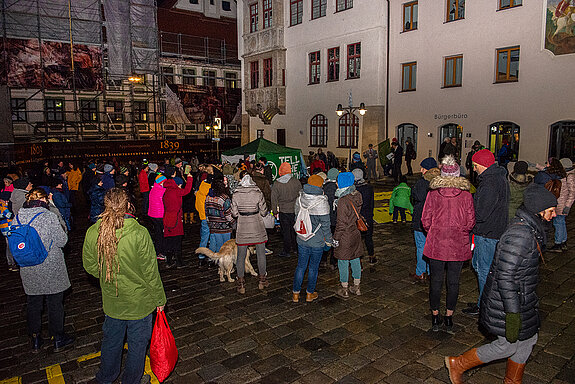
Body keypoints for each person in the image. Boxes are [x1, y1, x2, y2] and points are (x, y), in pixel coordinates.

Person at [445, 184, 557, 384]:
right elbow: (505, 277)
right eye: (551, 210)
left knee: (528, 340)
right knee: (506, 345)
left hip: (523, 300)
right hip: (508, 304)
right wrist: (513, 314)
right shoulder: (520, 236)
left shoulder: (531, 229)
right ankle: (458, 364)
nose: (555, 214)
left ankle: (511, 381)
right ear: (539, 210)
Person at [83, 188, 166, 384]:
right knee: (137, 345)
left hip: (113, 300)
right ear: (128, 205)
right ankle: (131, 380)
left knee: (112, 342)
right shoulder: (138, 232)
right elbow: (150, 272)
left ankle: (106, 377)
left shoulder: (94, 231)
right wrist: (159, 299)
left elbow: (89, 265)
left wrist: (106, 277)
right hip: (139, 302)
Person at [422, 156, 475, 332]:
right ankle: (449, 316)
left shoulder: (433, 194)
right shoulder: (466, 196)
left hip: (437, 244)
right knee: (454, 282)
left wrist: (435, 230)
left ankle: (435, 315)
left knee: (436, 281)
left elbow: (425, 220)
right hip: (458, 245)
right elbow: (470, 222)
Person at [17, 188, 73, 352]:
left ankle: (35, 339)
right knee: (54, 303)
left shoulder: (19, 216)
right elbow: (62, 240)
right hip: (50, 266)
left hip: (28, 266)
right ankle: (57, 337)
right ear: (45, 200)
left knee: (33, 304)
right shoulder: (48, 216)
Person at [463, 149, 510, 316]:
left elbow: (481, 213)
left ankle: (485, 306)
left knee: (484, 271)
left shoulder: (490, 183)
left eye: (475, 166)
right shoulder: (498, 178)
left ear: (482, 165)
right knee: (479, 267)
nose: (474, 169)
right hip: (492, 231)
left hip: (487, 233)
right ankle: (483, 301)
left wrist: (469, 211)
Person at [292, 175, 333, 303]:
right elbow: (326, 225)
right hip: (317, 240)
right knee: (313, 268)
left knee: (300, 266)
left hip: (302, 239)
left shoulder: (300, 199)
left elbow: (296, 218)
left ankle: (295, 294)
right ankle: (310, 293)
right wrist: (329, 241)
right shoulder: (322, 201)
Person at [231, 171, 269, 293]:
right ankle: (262, 280)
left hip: (242, 227)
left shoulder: (236, 194)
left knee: (241, 256)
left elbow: (234, 213)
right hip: (257, 225)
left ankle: (241, 284)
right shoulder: (258, 193)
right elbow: (264, 212)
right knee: (261, 254)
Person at [333, 172, 363, 298]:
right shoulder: (357, 195)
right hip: (355, 233)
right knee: (355, 258)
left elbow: (341, 223)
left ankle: (344, 288)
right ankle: (357, 286)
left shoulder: (342, 200)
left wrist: (335, 238)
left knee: (343, 261)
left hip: (345, 235)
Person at [411, 158, 440, 283]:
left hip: (421, 219)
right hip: (435, 220)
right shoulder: (439, 181)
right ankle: (431, 272)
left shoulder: (422, 183)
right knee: (432, 247)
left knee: (421, 246)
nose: (421, 170)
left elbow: (416, 196)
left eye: (422, 168)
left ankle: (421, 272)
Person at [163, 167, 194, 268]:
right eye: (180, 185)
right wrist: (189, 179)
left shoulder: (167, 189)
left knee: (169, 240)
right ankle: (179, 262)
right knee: (177, 241)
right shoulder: (175, 191)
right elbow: (187, 191)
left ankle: (168, 261)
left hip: (167, 217)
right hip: (175, 218)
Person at [271, 162, 302, 258]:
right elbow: (300, 196)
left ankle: (287, 250)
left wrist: (275, 212)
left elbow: (274, 199)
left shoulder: (277, 183)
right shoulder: (296, 181)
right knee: (294, 230)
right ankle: (296, 248)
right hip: (295, 210)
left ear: (280, 171)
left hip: (283, 211)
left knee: (286, 232)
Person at [548, 158, 575, 252]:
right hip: (561, 203)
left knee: (558, 223)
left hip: (562, 205)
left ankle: (558, 243)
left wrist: (567, 206)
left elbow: (572, 193)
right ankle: (563, 242)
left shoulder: (569, 176)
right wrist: (536, 166)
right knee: (561, 223)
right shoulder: (566, 174)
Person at [205, 176, 235, 253]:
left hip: (214, 226)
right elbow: (228, 214)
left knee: (219, 246)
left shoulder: (208, 197)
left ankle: (220, 262)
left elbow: (207, 212)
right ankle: (226, 263)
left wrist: (210, 224)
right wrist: (234, 223)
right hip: (225, 226)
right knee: (227, 247)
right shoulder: (224, 198)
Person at [353, 169, 376, 264]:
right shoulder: (369, 188)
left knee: (357, 239)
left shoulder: (354, 189)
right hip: (368, 216)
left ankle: (359, 260)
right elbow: (372, 203)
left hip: (357, 216)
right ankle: (372, 256)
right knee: (368, 238)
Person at [322, 168, 339, 268]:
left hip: (325, 217)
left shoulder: (324, 187)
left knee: (326, 239)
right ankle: (333, 261)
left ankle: (323, 260)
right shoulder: (337, 188)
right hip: (334, 219)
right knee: (334, 240)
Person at [148, 174, 167, 261]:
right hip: (160, 215)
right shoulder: (162, 190)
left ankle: (157, 251)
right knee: (163, 235)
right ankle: (162, 252)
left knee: (158, 234)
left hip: (152, 215)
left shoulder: (153, 189)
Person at [195, 174, 212, 266]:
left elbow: (197, 206)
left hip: (203, 217)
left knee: (204, 237)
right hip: (210, 217)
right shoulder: (210, 191)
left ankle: (201, 257)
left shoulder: (200, 190)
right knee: (212, 237)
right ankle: (211, 257)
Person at [0, 191, 16, 271]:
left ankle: (11, 263)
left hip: (4, 229)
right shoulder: (2, 205)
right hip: (8, 228)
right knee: (10, 246)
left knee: (9, 246)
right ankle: (11, 264)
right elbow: (8, 215)